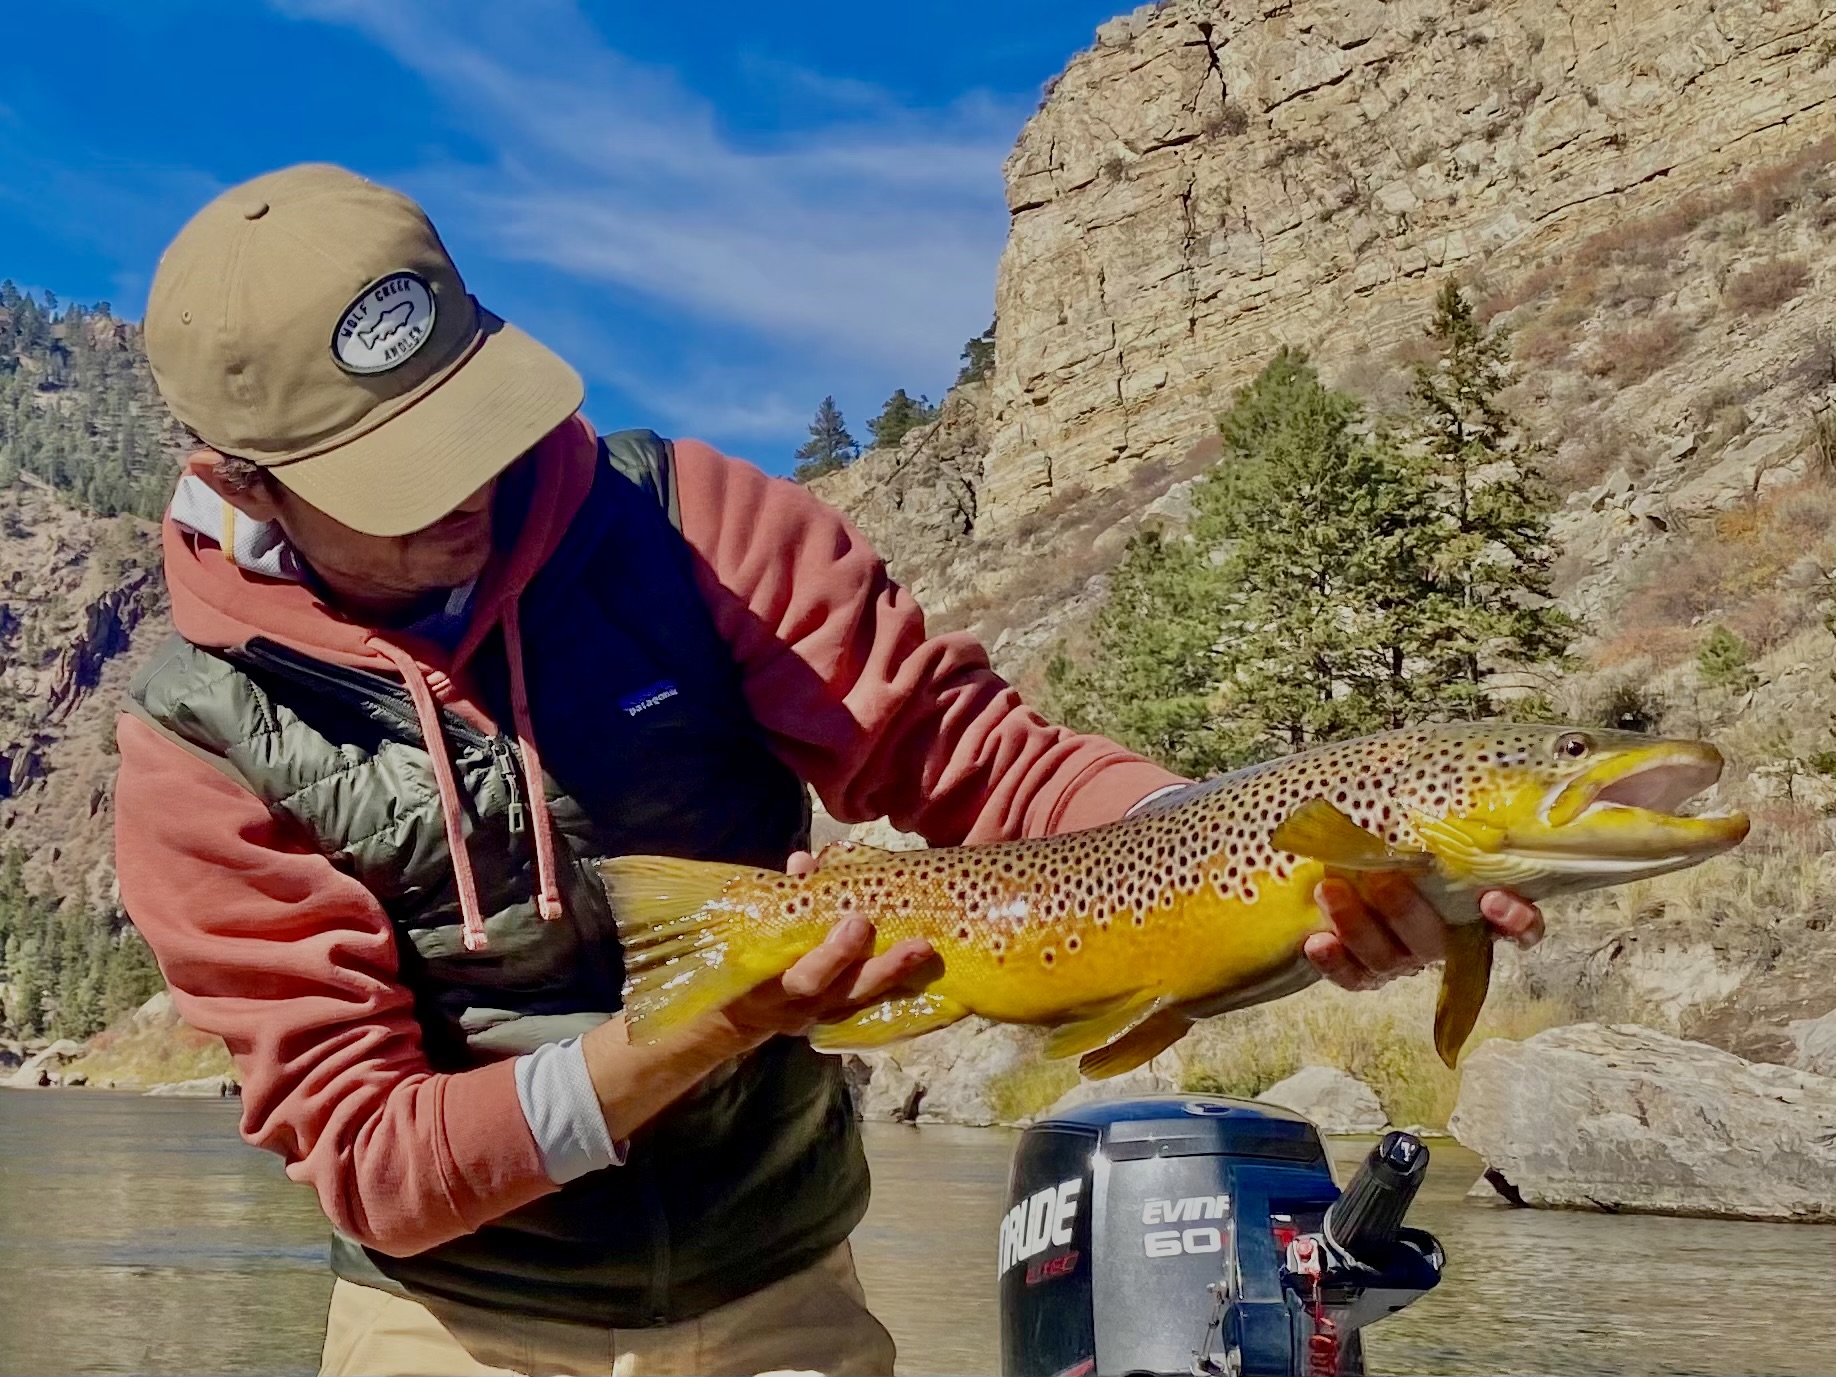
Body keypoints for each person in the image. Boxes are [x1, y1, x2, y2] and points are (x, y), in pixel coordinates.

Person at [114, 164, 1544, 1377]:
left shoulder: (686, 524)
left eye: (470, 432)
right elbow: (373, 1154)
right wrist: (708, 1024)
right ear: (240, 485)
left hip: (777, 1298)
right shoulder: (204, 747)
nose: (470, 501)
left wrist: (1239, 865)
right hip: (448, 1326)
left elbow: (972, 756)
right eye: (402, 483)